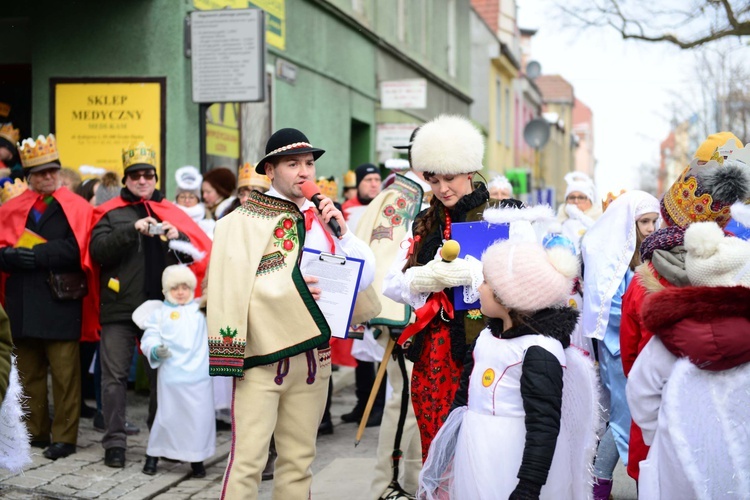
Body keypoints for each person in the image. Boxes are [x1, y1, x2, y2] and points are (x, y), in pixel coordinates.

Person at [207, 127, 375, 499]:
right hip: (263, 360)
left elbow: (365, 277)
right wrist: (296, 289)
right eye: (292, 164)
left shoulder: (325, 219)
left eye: (309, 164)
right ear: (270, 170)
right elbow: (228, 290)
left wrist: (344, 235)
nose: (304, 172)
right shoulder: (240, 222)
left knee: (299, 462)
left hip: (315, 358)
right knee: (248, 462)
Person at [419, 233, 597, 499]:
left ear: (508, 296)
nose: (478, 287)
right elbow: (462, 401)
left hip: (515, 465)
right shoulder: (485, 338)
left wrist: (527, 488)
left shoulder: (538, 351)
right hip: (478, 455)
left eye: (487, 282)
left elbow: (544, 426)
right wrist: (442, 459)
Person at [619, 132, 747, 484]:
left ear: (667, 216)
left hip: (662, 425)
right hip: (730, 429)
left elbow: (631, 358)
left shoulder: (644, 279)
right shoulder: (739, 266)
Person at [383, 114, 497, 462]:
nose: (443, 188)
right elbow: (394, 282)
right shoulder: (425, 220)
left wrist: (475, 275)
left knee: (476, 443)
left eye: (449, 178)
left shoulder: (499, 216)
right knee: (435, 441)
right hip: (433, 347)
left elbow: (520, 286)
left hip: (483, 345)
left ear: (469, 171)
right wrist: (420, 279)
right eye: (434, 181)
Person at [90, 142, 211, 468]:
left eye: (148, 175)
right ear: (127, 179)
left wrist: (176, 236)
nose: (143, 180)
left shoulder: (171, 211)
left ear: (155, 178)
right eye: (136, 175)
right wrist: (132, 230)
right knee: (113, 377)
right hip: (119, 305)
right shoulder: (111, 212)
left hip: (163, 308)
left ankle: (160, 441)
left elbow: (195, 256)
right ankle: (114, 442)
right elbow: (97, 251)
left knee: (163, 376)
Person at [627, 221, 750, 498]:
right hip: (739, 449)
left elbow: (640, 388)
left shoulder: (669, 336)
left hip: (677, 451)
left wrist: (657, 433)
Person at [0, 134, 99, 461]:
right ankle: (36, 431)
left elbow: (78, 249)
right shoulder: (12, 207)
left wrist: (37, 255)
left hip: (61, 302)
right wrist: (12, 257)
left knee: (66, 376)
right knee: (29, 374)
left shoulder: (77, 207)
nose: (48, 176)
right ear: (29, 176)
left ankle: (65, 437)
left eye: (52, 170)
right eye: (41, 172)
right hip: (23, 304)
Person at [580, 190, 659, 498]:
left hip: (635, 346)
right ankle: (601, 485)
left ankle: (600, 484)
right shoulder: (610, 254)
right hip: (619, 349)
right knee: (625, 420)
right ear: (629, 222)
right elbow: (608, 307)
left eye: (654, 221)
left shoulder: (636, 254)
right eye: (644, 222)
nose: (651, 228)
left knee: (628, 419)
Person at [366, 141, 431, 500]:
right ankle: (384, 485)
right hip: (401, 319)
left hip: (420, 316)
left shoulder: (422, 193)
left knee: (417, 404)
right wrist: (391, 316)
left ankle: (414, 480)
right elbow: (381, 251)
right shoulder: (401, 197)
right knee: (403, 403)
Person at [134, 265, 215, 478]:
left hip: (198, 379)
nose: (180, 292)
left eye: (185, 287)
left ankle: (197, 459)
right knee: (167, 418)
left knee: (198, 420)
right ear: (166, 291)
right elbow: (149, 336)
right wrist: (154, 350)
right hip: (172, 377)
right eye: (175, 288)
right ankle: (154, 455)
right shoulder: (159, 314)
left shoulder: (200, 311)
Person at [340, 163, 386, 427]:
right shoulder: (345, 211)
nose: (373, 184)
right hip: (355, 286)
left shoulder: (385, 208)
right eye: (368, 179)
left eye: (376, 179)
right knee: (360, 349)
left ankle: (377, 406)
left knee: (376, 348)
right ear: (357, 183)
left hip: (376, 284)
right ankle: (362, 403)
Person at [557, 172, 602, 253]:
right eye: (572, 197)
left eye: (581, 197)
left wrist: (579, 215)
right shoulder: (558, 221)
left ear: (590, 201)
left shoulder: (600, 218)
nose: (576, 201)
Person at [174, 165, 215, 237]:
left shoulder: (206, 217)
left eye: (191, 197)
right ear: (177, 199)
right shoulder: (169, 214)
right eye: (182, 197)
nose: (187, 200)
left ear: (198, 199)